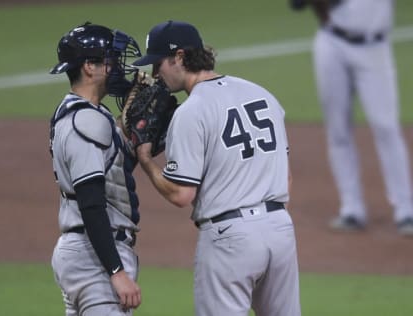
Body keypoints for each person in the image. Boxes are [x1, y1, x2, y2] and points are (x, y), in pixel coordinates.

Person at [132, 20, 301, 316]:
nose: (156, 74)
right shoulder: (262, 95)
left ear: (180, 56)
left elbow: (182, 194)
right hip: (280, 229)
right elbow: (286, 180)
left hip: (230, 238)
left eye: (159, 63)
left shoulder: (191, 111)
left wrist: (146, 161)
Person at [290, 0, 413, 236]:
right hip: (332, 43)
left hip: (375, 48)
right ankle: (352, 209)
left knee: (386, 127)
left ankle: (406, 210)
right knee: (338, 130)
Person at [48, 22, 143, 315]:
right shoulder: (85, 123)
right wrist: (115, 271)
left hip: (85, 253)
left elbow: (114, 174)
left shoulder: (83, 114)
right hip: (95, 258)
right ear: (90, 66)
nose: (118, 68)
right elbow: (91, 203)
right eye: (111, 61)